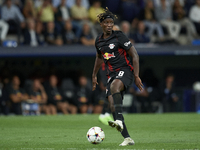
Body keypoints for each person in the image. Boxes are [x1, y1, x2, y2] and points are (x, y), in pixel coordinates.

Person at [92, 8, 143, 146]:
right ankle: (127, 138)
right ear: (101, 24)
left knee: (115, 87)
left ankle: (119, 120)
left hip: (125, 71)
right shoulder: (98, 41)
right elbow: (99, 58)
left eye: (111, 22)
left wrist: (136, 76)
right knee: (112, 106)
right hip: (112, 74)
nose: (109, 25)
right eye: (106, 22)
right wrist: (94, 75)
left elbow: (135, 55)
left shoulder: (119, 36)